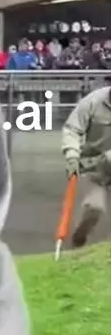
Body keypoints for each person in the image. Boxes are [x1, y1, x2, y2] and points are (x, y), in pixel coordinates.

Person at [61, 84, 111, 247]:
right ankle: (78, 242)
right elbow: (72, 129)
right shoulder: (92, 102)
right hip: (94, 167)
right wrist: (72, 157)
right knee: (94, 208)